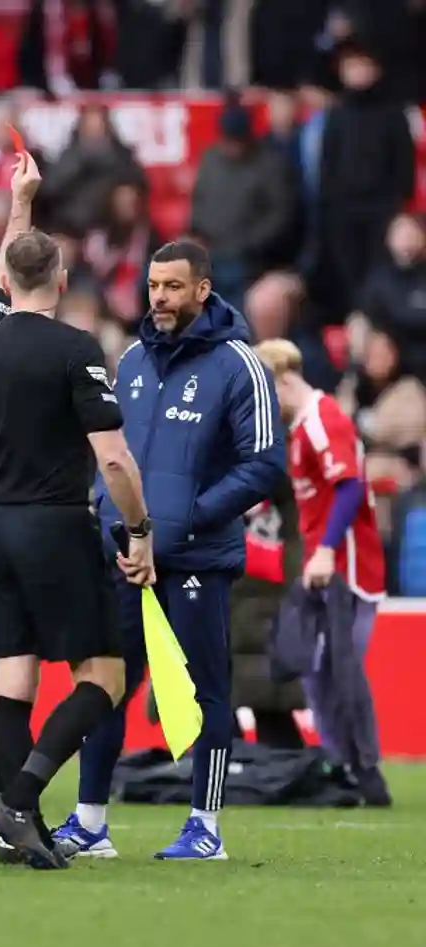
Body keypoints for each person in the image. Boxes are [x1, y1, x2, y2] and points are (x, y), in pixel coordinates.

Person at [55, 241, 285, 862]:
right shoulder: (129, 360)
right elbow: (109, 455)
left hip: (196, 559)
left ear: (203, 290)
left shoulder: (240, 365)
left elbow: (264, 466)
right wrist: (114, 520)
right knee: (105, 686)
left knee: (206, 690)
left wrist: (176, 523)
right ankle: (90, 822)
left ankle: (205, 828)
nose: (159, 297)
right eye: (154, 285)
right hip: (126, 558)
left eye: (173, 287)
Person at [0, 230, 147, 870]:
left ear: (6, 279)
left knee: (14, 681)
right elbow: (112, 457)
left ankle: (16, 837)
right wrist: (139, 530)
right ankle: (19, 799)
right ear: (59, 280)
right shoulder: (75, 348)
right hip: (56, 524)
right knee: (105, 677)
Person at [254, 338, 390, 805]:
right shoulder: (303, 427)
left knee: (337, 669)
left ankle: (361, 769)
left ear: (284, 380)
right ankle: (342, 762)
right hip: (325, 566)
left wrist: (328, 551)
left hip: (348, 567)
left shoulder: (322, 420)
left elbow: (349, 488)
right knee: (318, 670)